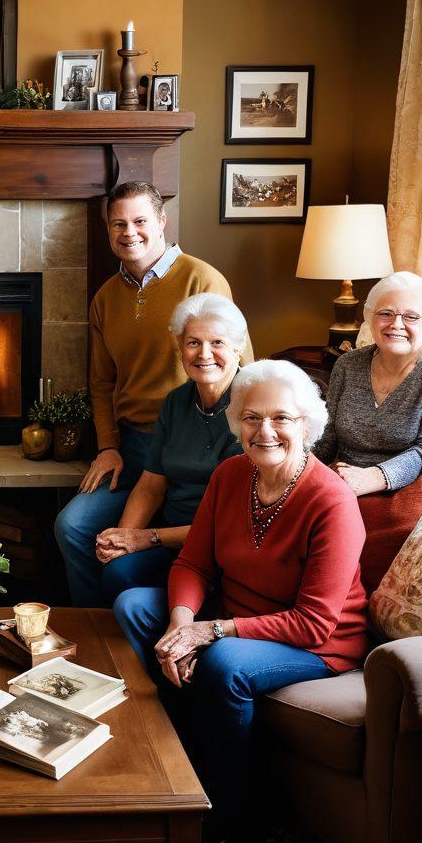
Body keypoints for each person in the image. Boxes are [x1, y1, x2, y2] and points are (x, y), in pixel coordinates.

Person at [114, 360, 368, 843]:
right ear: (237, 424)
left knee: (226, 662)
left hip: (316, 642)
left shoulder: (332, 503)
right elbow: (193, 563)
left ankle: (230, 817)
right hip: (236, 611)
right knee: (133, 606)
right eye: (251, 417)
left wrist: (210, 632)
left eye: (281, 418)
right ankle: (171, 763)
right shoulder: (231, 475)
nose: (264, 430)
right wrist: (180, 624)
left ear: (307, 425)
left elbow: (313, 623)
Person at [54, 181, 252, 606]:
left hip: (200, 445)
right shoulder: (105, 298)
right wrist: (108, 446)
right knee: (73, 525)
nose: (130, 233)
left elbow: (240, 367)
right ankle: (97, 625)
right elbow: (102, 383)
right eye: (118, 224)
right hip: (134, 451)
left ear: (162, 222)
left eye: (141, 221)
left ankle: (145, 614)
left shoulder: (203, 280)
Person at [96, 293, 246, 604]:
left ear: (238, 347)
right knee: (116, 568)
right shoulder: (177, 401)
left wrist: (145, 538)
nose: (204, 354)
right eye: (193, 343)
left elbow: (230, 525)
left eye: (217, 342)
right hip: (172, 539)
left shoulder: (253, 408)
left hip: (221, 546)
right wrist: (123, 540)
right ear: (180, 349)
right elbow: (151, 485)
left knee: (123, 581)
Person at [316, 271, 422, 494]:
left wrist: (371, 478)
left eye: (411, 316)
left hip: (409, 489)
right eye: (386, 313)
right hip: (343, 482)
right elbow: (326, 438)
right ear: (371, 319)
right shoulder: (347, 365)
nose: (396, 324)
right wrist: (295, 467)